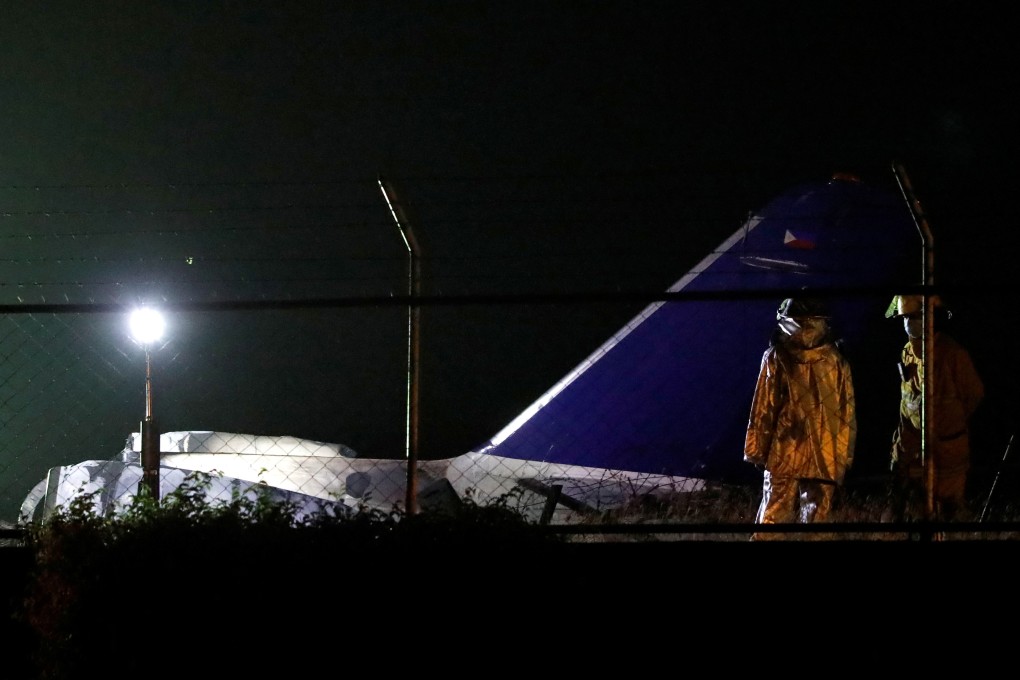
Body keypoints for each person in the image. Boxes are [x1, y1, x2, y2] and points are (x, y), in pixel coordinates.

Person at [743, 297, 857, 540]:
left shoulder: (776, 357)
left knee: (772, 518)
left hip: (785, 448)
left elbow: (763, 407)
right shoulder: (836, 360)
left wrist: (755, 450)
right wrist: (844, 456)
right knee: (816, 524)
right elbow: (847, 411)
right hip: (827, 450)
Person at [884, 294, 984, 522]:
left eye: (914, 316)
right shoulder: (907, 352)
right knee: (915, 510)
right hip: (912, 445)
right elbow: (907, 401)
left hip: (946, 447)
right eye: (905, 317)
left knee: (948, 510)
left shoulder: (953, 354)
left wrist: (950, 421)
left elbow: (974, 395)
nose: (908, 323)